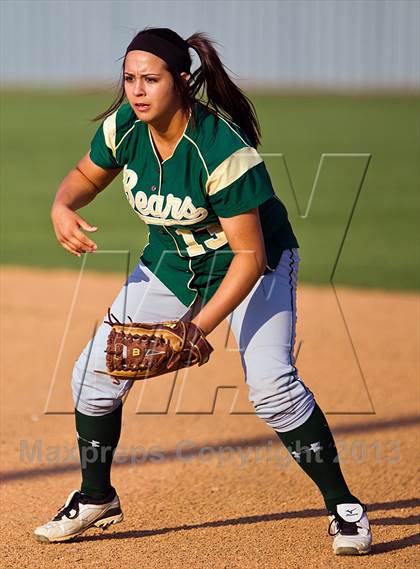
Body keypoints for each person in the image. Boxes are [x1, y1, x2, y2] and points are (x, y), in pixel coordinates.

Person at [34, 28, 372, 555]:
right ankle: (96, 496)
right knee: (93, 372)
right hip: (171, 263)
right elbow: (85, 175)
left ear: (183, 82)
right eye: (129, 79)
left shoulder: (220, 148)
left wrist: (194, 329)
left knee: (272, 386)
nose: (137, 91)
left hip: (253, 265)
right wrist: (62, 205)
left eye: (151, 79)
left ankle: (344, 506)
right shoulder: (124, 127)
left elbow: (249, 256)